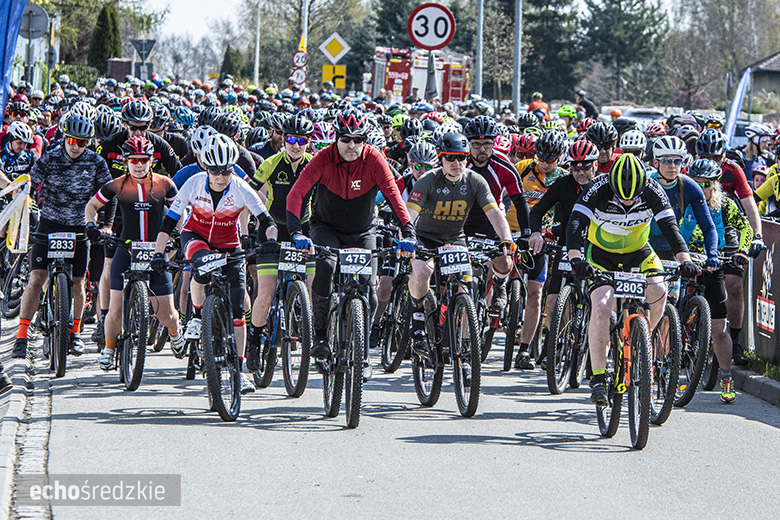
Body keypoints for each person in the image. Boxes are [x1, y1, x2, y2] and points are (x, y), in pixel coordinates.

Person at [286, 108, 416, 374]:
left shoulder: (374, 158)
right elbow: (295, 194)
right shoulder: (323, 158)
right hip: (326, 228)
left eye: (359, 139)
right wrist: (296, 232)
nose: (352, 145)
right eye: (345, 139)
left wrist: (409, 233)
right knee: (325, 266)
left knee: (368, 285)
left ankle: (362, 354)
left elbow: (393, 196)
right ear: (336, 138)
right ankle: (320, 335)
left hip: (362, 231)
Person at [565, 153, 698, 405]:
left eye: (633, 196)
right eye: (621, 196)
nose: (627, 201)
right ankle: (598, 378)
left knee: (659, 290)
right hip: (601, 254)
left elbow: (670, 228)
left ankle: (643, 343)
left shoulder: (653, 189)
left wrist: (685, 260)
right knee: (601, 306)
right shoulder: (597, 187)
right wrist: (575, 259)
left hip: (639, 252)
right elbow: (575, 224)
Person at [150, 135, 278, 395]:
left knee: (238, 311)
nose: (221, 177)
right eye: (215, 171)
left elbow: (267, 221)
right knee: (202, 267)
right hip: (195, 236)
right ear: (206, 168)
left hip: (229, 243)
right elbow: (168, 222)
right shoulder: (193, 184)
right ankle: (197, 316)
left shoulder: (241, 187)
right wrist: (158, 254)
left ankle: (239, 371)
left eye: (226, 171)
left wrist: (271, 242)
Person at [12, 114, 115, 359]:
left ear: (88, 143)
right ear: (64, 137)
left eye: (82, 142)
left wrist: (106, 225)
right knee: (36, 278)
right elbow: (30, 184)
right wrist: (27, 207)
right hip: (50, 223)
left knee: (78, 281)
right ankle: (21, 336)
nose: (75, 146)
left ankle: (75, 332)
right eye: (71, 140)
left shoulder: (96, 162)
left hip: (79, 227)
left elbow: (110, 194)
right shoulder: (50, 157)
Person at [85, 136, 184, 369]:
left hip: (155, 250)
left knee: (167, 313)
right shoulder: (117, 184)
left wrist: (177, 234)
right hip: (126, 249)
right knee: (115, 309)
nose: (139, 165)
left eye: (143, 160)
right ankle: (109, 349)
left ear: (151, 161)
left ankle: (175, 332)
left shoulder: (165, 184)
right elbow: (92, 206)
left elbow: (180, 210)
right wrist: (91, 225)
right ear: (125, 161)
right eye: (133, 160)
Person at [405, 132, 514, 339]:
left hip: (455, 238)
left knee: (466, 291)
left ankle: (464, 345)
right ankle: (418, 312)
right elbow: (410, 214)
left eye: (462, 157)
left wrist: (506, 240)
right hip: (426, 237)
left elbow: (494, 213)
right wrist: (408, 238)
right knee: (422, 270)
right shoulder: (428, 180)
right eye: (450, 158)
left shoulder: (475, 181)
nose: (457, 163)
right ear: (441, 159)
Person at [680, 159, 754, 403]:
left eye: (706, 184)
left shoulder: (725, 205)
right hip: (683, 262)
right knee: (666, 313)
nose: (701, 188)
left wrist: (742, 250)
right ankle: (660, 365)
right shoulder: (680, 201)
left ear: (715, 185)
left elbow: (745, 227)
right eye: (696, 183)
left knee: (720, 330)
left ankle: (726, 377)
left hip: (713, 263)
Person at [694, 128, 766, 365]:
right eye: (705, 156)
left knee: (733, 283)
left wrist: (757, 235)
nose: (710, 161)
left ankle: (734, 341)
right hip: (695, 226)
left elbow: (750, 205)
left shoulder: (733, 170)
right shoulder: (690, 170)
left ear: (723, 154)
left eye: (715, 157)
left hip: (727, 227)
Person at [528, 139, 598, 363]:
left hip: (595, 248)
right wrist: (536, 233)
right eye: (575, 167)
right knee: (554, 302)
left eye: (585, 167)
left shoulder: (604, 186)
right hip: (567, 246)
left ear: (595, 165)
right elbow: (537, 211)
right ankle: (557, 345)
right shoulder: (563, 184)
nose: (580, 172)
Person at [511, 130, 567, 369]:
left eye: (550, 160)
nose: (545, 164)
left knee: (536, 292)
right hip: (514, 232)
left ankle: (524, 350)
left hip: (544, 239)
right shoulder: (522, 168)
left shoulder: (564, 178)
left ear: (560, 158)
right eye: (541, 158)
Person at [463, 116, 530, 313]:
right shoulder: (459, 163)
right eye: (476, 145)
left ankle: (500, 284)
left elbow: (520, 201)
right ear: (469, 144)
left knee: (504, 260)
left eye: (487, 144)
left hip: (491, 221)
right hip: (461, 222)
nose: (482, 149)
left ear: (494, 143)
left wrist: (526, 233)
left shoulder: (505, 166)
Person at [648, 135, 720, 269]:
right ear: (655, 162)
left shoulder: (690, 187)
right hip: (643, 248)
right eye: (666, 161)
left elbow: (708, 227)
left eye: (677, 161)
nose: (672, 166)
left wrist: (712, 254)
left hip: (671, 249)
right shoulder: (645, 181)